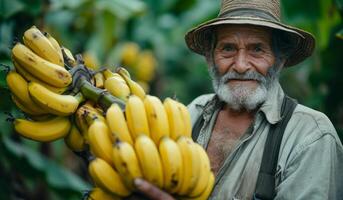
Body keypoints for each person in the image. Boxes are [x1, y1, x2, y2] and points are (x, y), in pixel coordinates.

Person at [130, 0, 343, 199]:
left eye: (257, 49)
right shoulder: (191, 113)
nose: (240, 66)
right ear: (210, 57)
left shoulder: (310, 137)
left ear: (279, 60)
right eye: (228, 48)